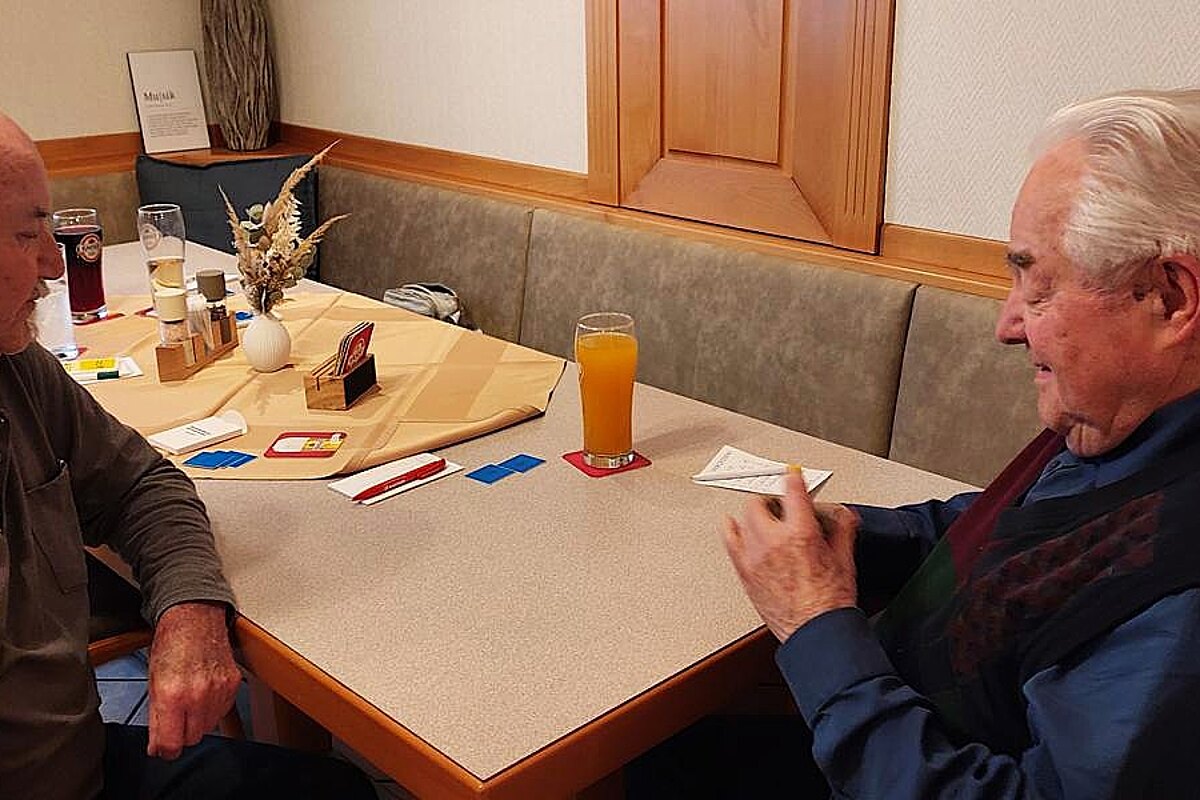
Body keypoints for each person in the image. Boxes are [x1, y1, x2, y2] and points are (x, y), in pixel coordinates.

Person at [720, 88, 1200, 798]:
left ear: (1169, 297)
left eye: (1038, 287)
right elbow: (1023, 534)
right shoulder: (1126, 424)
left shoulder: (1178, 597)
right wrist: (853, 534)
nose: (1007, 326)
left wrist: (818, 624)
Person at [0, 113, 375, 798]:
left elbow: (140, 485)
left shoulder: (17, 367)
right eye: (29, 235)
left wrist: (189, 612)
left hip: (77, 759)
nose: (56, 263)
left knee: (335, 789)